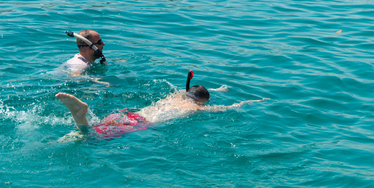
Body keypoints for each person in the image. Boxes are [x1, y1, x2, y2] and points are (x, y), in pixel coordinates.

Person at [55, 71, 267, 139]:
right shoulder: (195, 108)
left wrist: (219, 89)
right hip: (144, 122)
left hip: (130, 113)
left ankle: (83, 117)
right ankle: (80, 114)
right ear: (203, 102)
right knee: (92, 138)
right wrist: (247, 102)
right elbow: (226, 108)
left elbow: (192, 92)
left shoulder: (177, 96)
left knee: (99, 126)